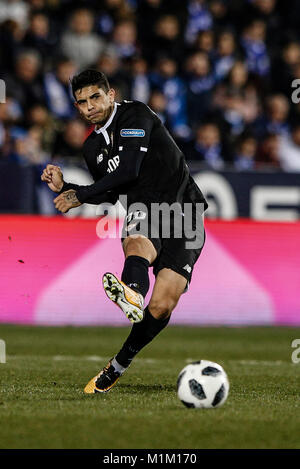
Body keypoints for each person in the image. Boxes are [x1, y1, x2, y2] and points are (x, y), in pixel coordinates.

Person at [41, 69, 207, 394]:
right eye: (81, 102)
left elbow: (128, 169)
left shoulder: (135, 114)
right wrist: (69, 187)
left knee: (161, 306)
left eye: (95, 97)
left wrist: (80, 194)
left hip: (184, 209)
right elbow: (110, 192)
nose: (89, 106)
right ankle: (131, 291)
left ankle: (118, 364)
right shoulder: (91, 149)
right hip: (143, 207)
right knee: (137, 240)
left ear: (110, 94)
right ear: (76, 107)